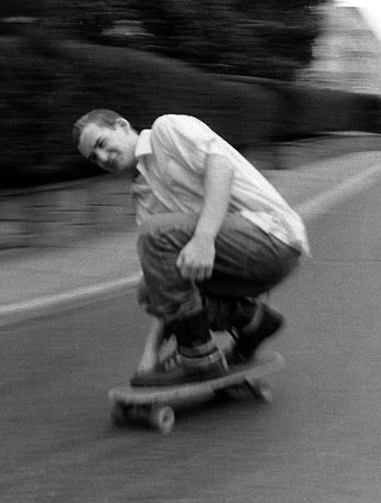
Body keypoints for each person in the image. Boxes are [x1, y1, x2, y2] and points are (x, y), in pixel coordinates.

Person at [73, 109, 308, 387]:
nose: (102, 158)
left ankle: (198, 356)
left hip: (273, 237)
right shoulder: (143, 194)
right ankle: (253, 321)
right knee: (150, 288)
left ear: (122, 125)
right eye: (93, 158)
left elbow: (221, 167)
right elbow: (165, 278)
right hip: (238, 263)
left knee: (155, 233)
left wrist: (204, 238)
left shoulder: (166, 130)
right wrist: (149, 358)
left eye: (101, 144)